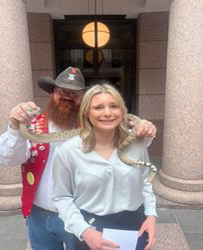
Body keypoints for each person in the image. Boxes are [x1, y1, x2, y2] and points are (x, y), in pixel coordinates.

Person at [0, 67, 157, 250]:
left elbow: (129, 144)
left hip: (81, 215)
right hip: (39, 215)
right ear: (52, 93)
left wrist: (145, 129)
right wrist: (16, 127)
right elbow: (7, 159)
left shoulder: (95, 125)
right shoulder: (32, 127)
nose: (67, 96)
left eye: (74, 93)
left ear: (83, 100)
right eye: (62, 91)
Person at [53, 83, 157, 250]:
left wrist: (151, 215)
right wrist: (85, 231)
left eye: (113, 106)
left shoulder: (137, 144)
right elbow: (61, 197)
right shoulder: (68, 151)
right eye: (98, 107)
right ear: (87, 112)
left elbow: (144, 182)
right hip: (90, 227)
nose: (107, 113)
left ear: (122, 110)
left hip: (134, 223)